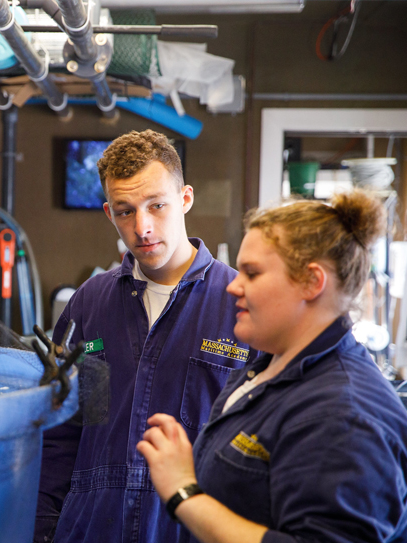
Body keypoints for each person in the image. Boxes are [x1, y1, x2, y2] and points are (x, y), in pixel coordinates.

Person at [137, 190, 407, 543]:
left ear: (312, 282)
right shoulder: (265, 369)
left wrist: (184, 493)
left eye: (252, 273)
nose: (234, 285)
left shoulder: (344, 414)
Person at [34, 130, 255, 543]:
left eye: (157, 206)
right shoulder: (90, 303)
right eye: (125, 211)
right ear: (108, 212)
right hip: (93, 528)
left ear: (185, 198)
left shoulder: (240, 302)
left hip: (194, 527)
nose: (143, 227)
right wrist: (45, 529)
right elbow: (63, 428)